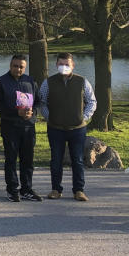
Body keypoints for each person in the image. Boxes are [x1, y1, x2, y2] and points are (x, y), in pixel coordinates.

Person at [39, 52, 96, 202]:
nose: (64, 67)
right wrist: (48, 116)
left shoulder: (82, 82)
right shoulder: (48, 82)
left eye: (67, 64)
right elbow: (42, 101)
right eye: (61, 64)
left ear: (73, 65)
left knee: (77, 160)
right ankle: (56, 189)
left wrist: (83, 117)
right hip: (55, 128)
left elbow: (92, 101)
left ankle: (79, 190)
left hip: (77, 129)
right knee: (56, 159)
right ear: (56, 65)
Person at [0, 54, 42, 202]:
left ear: (24, 67)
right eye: (15, 66)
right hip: (10, 126)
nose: (18, 69)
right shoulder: (0, 82)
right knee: (11, 159)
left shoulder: (30, 81)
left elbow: (38, 101)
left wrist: (33, 112)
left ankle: (26, 189)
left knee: (28, 160)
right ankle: (12, 189)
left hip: (28, 127)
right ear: (10, 65)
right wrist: (16, 112)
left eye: (21, 67)